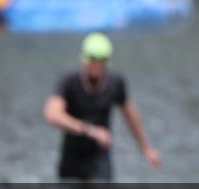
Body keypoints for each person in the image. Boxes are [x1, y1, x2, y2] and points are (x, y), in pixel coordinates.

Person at [43, 33, 161, 180]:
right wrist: (89, 130)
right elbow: (52, 114)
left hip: (99, 158)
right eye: (93, 60)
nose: (96, 65)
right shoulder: (69, 82)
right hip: (71, 157)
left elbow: (130, 115)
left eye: (102, 61)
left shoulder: (115, 83)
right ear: (84, 59)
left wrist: (146, 148)